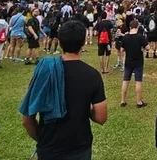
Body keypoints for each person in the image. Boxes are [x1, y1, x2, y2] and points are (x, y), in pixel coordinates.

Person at [21, 19, 107, 160]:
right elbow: (101, 117)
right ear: (83, 42)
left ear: (60, 42)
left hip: (49, 146)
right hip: (79, 147)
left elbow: (26, 120)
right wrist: (84, 106)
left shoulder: (45, 70)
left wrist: (42, 139)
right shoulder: (92, 75)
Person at [120, 19, 148, 107]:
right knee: (138, 81)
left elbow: (122, 49)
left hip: (128, 61)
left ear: (130, 27)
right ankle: (139, 102)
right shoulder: (140, 37)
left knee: (125, 80)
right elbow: (147, 47)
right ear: (137, 27)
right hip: (138, 62)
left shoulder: (126, 37)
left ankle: (122, 101)